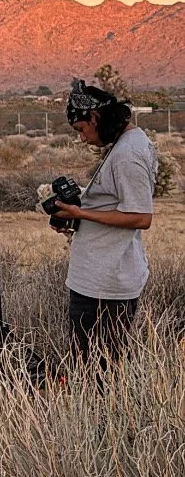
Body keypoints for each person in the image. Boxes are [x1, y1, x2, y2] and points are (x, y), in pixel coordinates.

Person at [48, 77, 156, 359]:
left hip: (107, 286)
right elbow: (117, 202)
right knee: (92, 367)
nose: (82, 138)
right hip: (100, 277)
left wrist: (81, 213)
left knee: (95, 369)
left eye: (81, 129)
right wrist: (76, 215)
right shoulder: (126, 145)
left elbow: (140, 216)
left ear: (94, 117)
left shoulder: (128, 155)